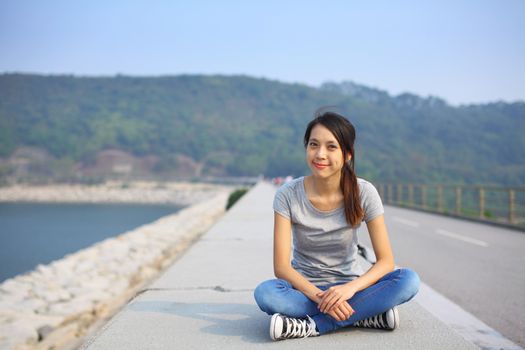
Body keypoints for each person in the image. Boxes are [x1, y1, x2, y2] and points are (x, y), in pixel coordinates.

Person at [254, 110, 420, 341]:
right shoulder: (287, 195)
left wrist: (349, 290)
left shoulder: (364, 192)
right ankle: (363, 315)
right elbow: (281, 267)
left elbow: (386, 262)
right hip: (305, 291)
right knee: (266, 294)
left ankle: (313, 325)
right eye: (314, 145)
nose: (320, 154)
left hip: (351, 287)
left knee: (408, 280)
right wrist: (321, 297)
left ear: (347, 154)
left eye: (331, 147)